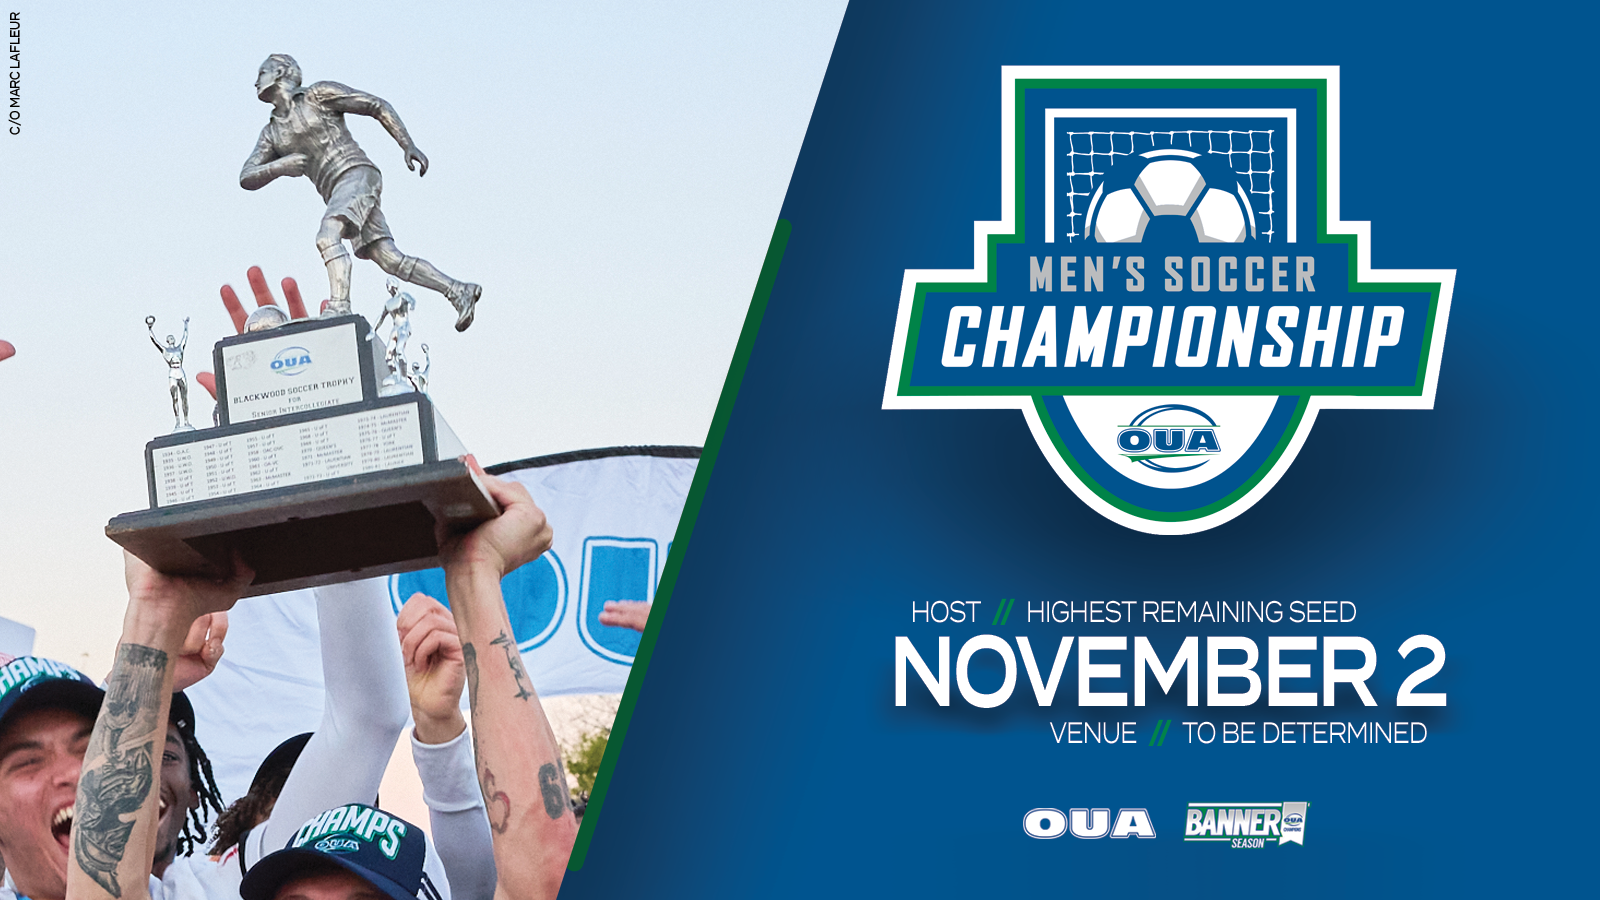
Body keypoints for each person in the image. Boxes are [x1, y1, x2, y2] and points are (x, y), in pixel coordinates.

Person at [241, 54, 481, 331]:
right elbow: (246, 176)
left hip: (357, 173)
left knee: (327, 235)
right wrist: (281, 165)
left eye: (261, 73)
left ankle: (339, 307)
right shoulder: (271, 133)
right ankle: (457, 290)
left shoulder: (317, 95)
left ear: (281, 72)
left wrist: (408, 145)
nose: (255, 81)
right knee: (389, 258)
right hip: (336, 192)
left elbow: (374, 105)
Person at [0, 610, 227, 900]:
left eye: (90, 748)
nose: (75, 772)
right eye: (28, 762)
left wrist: (150, 649)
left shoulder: (201, 892)